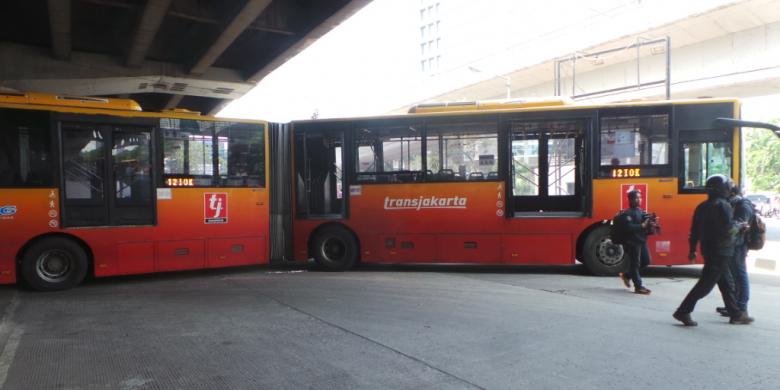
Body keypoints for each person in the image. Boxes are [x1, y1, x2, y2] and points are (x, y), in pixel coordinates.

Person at [673, 174, 753, 326]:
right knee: (705, 285)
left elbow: (694, 231)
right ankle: (683, 311)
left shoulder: (702, 206)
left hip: (709, 249)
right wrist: (741, 226)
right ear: (723, 189)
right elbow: (728, 230)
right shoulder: (723, 206)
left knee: (726, 283)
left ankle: (736, 314)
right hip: (721, 251)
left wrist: (692, 250)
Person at [715, 184, 753, 317]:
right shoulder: (733, 204)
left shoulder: (743, 205)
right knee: (733, 276)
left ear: (730, 193)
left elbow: (739, 226)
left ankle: (741, 307)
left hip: (739, 246)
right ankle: (733, 306)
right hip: (733, 245)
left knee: (739, 275)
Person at [617, 189, 654, 295]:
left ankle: (626, 275)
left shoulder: (641, 212)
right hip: (632, 242)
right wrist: (642, 226)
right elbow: (628, 227)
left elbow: (645, 225)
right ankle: (638, 286)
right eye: (636, 198)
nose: (639, 200)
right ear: (630, 200)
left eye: (640, 197)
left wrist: (651, 223)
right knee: (635, 264)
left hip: (641, 240)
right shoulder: (627, 213)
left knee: (646, 261)